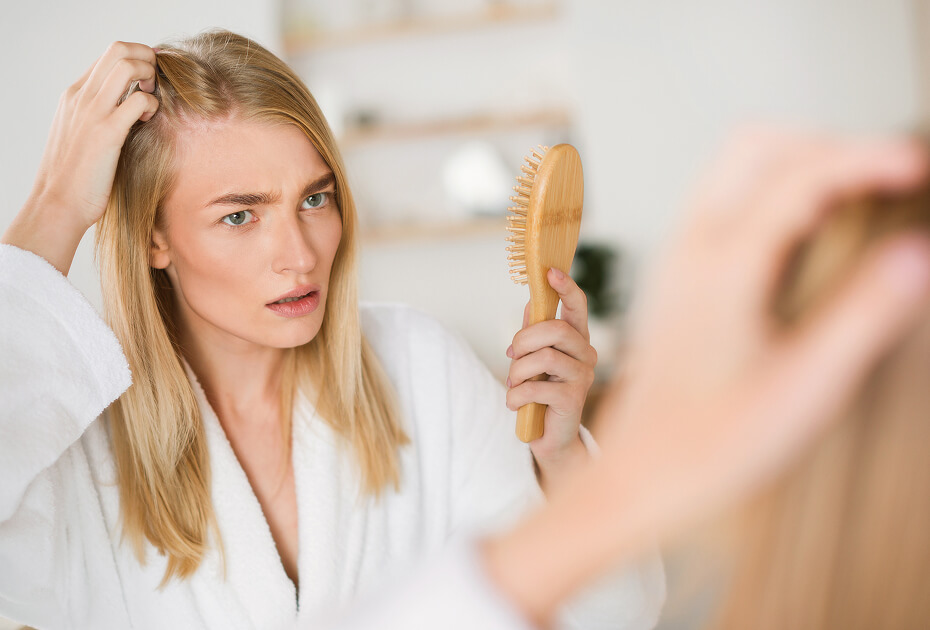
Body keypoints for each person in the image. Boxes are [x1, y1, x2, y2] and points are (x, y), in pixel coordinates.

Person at [0, 30, 662, 630]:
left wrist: (562, 461)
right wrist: (55, 207)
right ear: (154, 239)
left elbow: (609, 617)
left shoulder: (420, 368)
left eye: (314, 198)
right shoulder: (74, 444)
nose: (301, 254)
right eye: (240, 216)